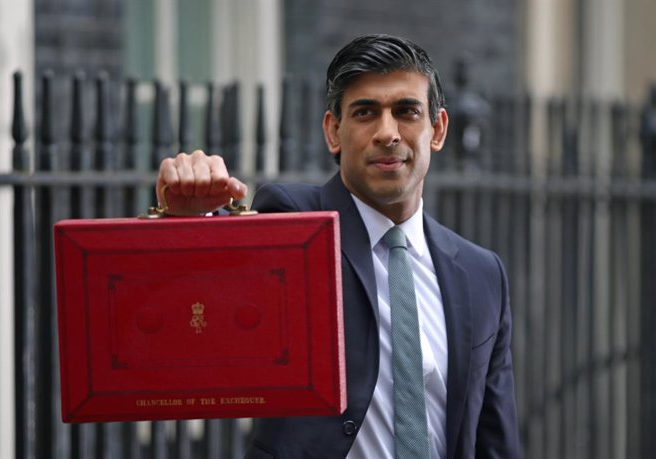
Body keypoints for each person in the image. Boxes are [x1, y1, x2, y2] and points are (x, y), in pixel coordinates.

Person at [156, 34, 520, 459]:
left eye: (406, 111)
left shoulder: (482, 274)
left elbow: (494, 439)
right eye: (365, 112)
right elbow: (202, 300)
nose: (387, 133)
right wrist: (190, 219)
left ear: (437, 129)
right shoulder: (294, 222)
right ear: (333, 131)